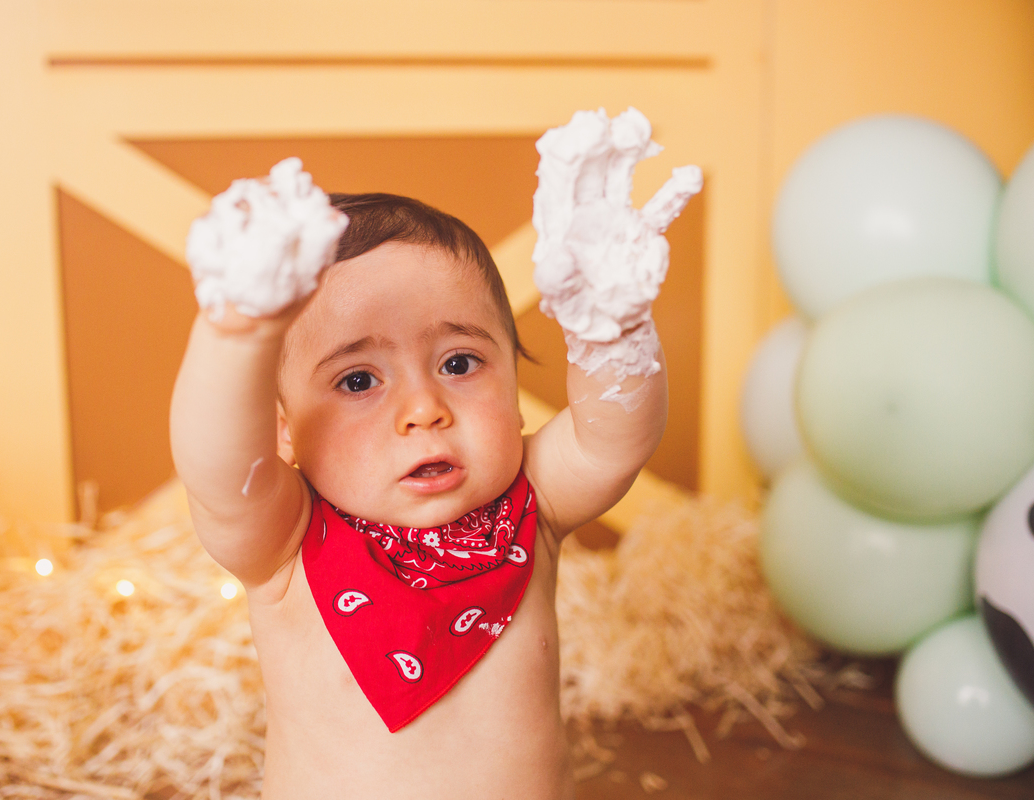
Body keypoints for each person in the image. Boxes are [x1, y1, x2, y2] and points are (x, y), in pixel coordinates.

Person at [171, 109, 698, 799]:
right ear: (283, 431)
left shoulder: (530, 508)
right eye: (358, 380)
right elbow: (217, 468)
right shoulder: (285, 542)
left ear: (514, 386)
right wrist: (235, 333)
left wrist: (614, 330)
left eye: (459, 362)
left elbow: (615, 440)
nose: (425, 409)